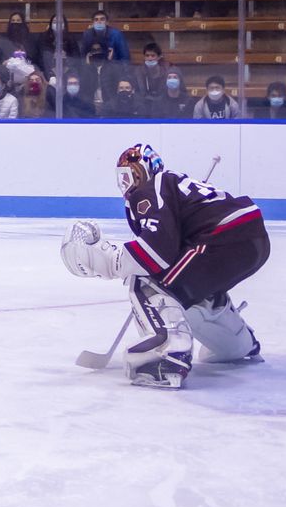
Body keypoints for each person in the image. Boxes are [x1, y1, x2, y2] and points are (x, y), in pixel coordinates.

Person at [60, 143, 269, 388]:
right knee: (187, 287)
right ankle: (236, 343)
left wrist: (111, 261)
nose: (128, 183)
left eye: (132, 175)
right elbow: (170, 249)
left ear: (149, 170)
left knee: (149, 280)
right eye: (124, 178)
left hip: (220, 238)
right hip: (253, 238)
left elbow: (156, 252)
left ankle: (166, 354)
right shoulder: (171, 186)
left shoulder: (152, 187)